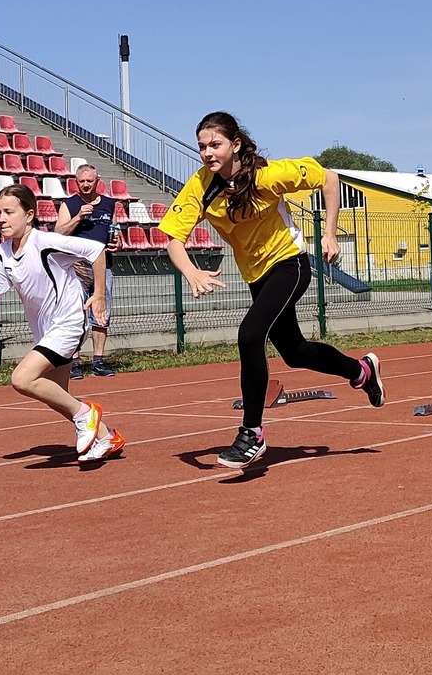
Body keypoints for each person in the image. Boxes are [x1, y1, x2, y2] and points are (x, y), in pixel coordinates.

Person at [159, 112, 384, 470]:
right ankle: (360, 371)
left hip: (290, 264)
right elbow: (172, 237)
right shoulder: (201, 186)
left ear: (235, 145)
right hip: (256, 276)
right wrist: (190, 271)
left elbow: (329, 177)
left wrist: (329, 232)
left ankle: (252, 433)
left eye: (215, 144)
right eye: (201, 146)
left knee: (250, 335)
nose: (207, 153)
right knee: (294, 353)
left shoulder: (268, 175)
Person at [0, 184, 124, 463]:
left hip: (69, 323)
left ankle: (86, 415)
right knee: (58, 395)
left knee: (22, 379)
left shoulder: (46, 241)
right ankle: (106, 436)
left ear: (29, 215)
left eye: (8, 212)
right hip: (45, 331)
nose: (1, 219)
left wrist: (99, 294)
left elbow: (96, 251)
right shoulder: (3, 252)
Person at [55, 164, 120, 378]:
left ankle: (98, 361)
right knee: (75, 314)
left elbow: (114, 230)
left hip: (103, 266)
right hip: (76, 267)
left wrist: (118, 243)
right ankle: (74, 363)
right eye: (81, 181)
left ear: (97, 181)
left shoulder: (109, 204)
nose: (85, 185)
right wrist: (78, 218)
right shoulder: (70, 204)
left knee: (101, 315)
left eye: (89, 181)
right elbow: (58, 232)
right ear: (76, 182)